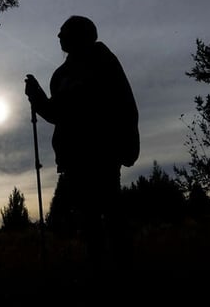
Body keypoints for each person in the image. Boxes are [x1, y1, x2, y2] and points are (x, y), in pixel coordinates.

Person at [24, 15, 139, 271]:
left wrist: (127, 143)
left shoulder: (102, 61)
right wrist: (38, 97)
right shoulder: (62, 74)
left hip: (102, 151)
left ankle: (124, 270)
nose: (58, 36)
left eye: (63, 31)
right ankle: (100, 270)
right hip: (75, 156)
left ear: (80, 34)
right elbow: (58, 114)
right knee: (89, 219)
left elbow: (113, 102)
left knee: (110, 214)